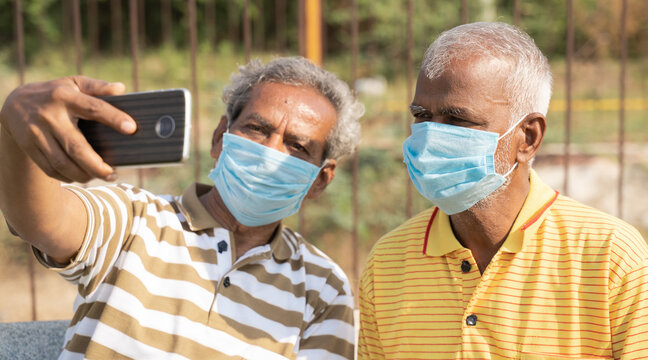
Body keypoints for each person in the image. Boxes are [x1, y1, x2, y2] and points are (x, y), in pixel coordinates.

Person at [0, 56, 363, 359]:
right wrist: (15, 132)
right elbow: (42, 223)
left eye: (297, 146)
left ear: (320, 179)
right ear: (220, 138)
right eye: (256, 129)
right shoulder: (135, 218)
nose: (271, 152)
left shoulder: (322, 287)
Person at [358, 22, 648, 359]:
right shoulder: (388, 264)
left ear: (527, 138)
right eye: (422, 115)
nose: (430, 138)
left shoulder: (609, 258)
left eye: (457, 120)